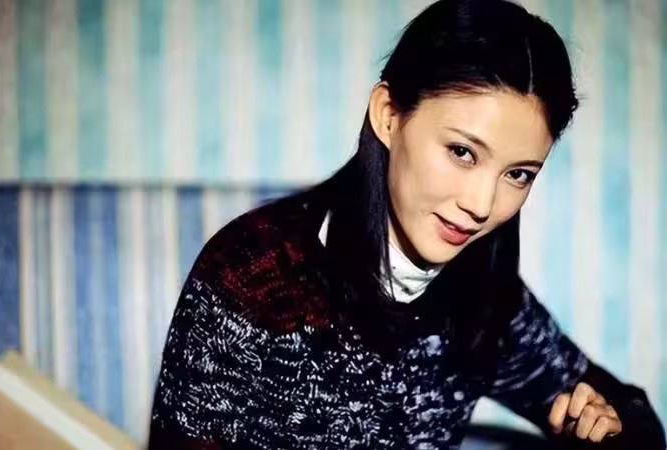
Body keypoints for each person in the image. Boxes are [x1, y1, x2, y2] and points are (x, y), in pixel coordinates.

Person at [148, 0, 665, 448]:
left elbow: (631, 414)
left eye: (518, 174)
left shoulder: (486, 298)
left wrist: (599, 434)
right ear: (388, 116)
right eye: (462, 152)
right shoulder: (252, 274)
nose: (482, 204)